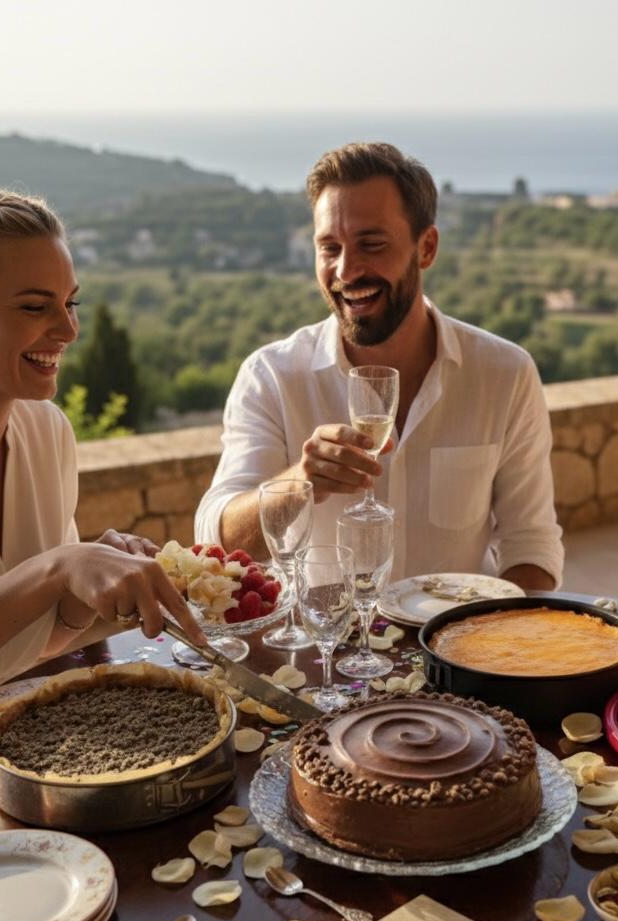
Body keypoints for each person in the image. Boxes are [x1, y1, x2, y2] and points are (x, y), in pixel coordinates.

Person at [195, 143, 563, 588]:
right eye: (329, 247)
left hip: (454, 648)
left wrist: (507, 645)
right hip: (321, 653)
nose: (347, 271)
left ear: (425, 248)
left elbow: (531, 545)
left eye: (371, 244)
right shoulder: (271, 376)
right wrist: (300, 483)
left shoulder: (504, 373)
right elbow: (217, 540)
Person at [0, 186, 204, 728]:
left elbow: (40, 639)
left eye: (70, 302)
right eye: (35, 306)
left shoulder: (46, 430)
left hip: (19, 720)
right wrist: (60, 566)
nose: (69, 329)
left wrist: (85, 587)